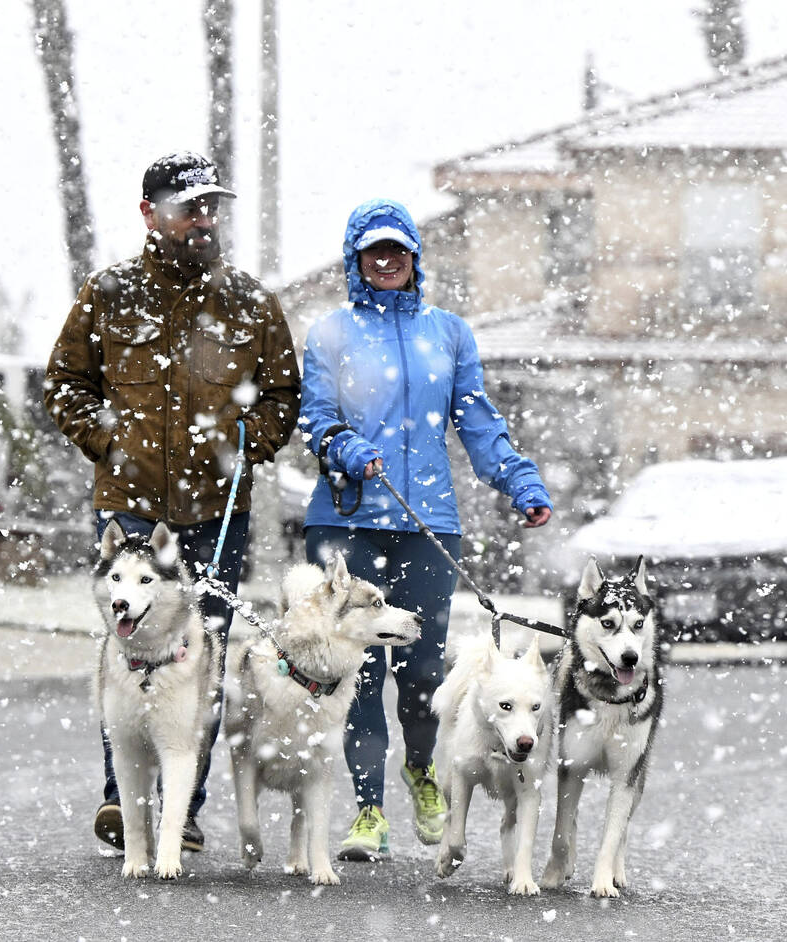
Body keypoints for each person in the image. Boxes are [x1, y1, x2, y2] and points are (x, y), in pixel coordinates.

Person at [43, 151, 300, 853]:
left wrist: (253, 441)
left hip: (218, 512)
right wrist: (108, 442)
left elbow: (282, 395)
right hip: (129, 508)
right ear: (150, 212)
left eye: (211, 206)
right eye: (190, 206)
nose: (203, 218)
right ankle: (122, 800)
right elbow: (65, 382)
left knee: (200, 659)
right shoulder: (109, 293)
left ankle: (182, 809)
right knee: (130, 654)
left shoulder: (249, 301)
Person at [299, 199, 553, 861]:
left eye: (398, 250)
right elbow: (315, 421)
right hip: (347, 520)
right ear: (356, 260)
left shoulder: (449, 334)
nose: (386, 261)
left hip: (427, 524)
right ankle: (367, 812)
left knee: (417, 674)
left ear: (415, 258)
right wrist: (342, 446)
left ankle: (420, 772)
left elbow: (478, 423)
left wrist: (520, 482)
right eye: (373, 252)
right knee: (354, 674)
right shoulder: (329, 333)